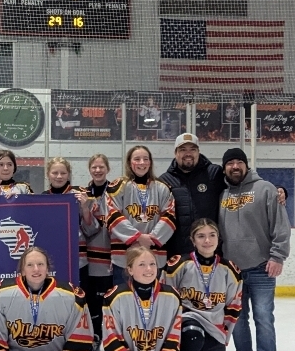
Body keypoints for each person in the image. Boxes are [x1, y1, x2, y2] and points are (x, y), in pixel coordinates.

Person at [218, 148, 291, 351]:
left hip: (261, 267)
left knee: (263, 319)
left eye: (239, 162)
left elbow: (280, 225)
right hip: (232, 270)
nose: (235, 166)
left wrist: (278, 256)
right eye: (230, 163)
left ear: (246, 165)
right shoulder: (221, 193)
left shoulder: (266, 189)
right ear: (225, 167)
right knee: (237, 320)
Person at [162, 219, 242, 351]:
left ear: (218, 238)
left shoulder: (229, 269)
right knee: (192, 333)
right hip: (187, 320)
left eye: (212, 235)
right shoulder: (179, 264)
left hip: (214, 327)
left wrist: (225, 336)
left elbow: (234, 306)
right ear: (193, 239)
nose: (207, 240)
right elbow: (165, 297)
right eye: (201, 236)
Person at [106, 145, 176, 285]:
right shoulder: (117, 186)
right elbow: (112, 215)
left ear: (150, 162)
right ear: (129, 162)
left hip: (154, 255)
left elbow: (170, 216)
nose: (142, 163)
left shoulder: (162, 187)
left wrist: (151, 239)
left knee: (153, 300)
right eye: (137, 159)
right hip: (124, 257)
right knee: (124, 298)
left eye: (145, 159)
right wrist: (138, 238)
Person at [159, 133, 226, 258]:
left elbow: (238, 184)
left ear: (198, 152)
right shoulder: (164, 181)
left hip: (211, 253)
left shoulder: (214, 174)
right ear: (175, 153)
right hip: (178, 254)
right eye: (183, 150)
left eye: (192, 149)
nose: (188, 154)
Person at [42, 157, 97, 288]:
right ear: (48, 175)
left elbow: (92, 230)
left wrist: (84, 207)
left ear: (69, 175)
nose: (59, 176)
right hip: (52, 258)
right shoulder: (42, 198)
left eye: (63, 173)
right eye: (55, 173)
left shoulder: (80, 196)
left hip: (78, 259)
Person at [83, 154, 113, 336]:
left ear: (107, 169)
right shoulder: (84, 195)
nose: (98, 170)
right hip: (90, 260)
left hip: (110, 259)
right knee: (92, 304)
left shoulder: (116, 192)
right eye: (94, 167)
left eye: (101, 167)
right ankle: (94, 339)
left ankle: (108, 340)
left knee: (108, 303)